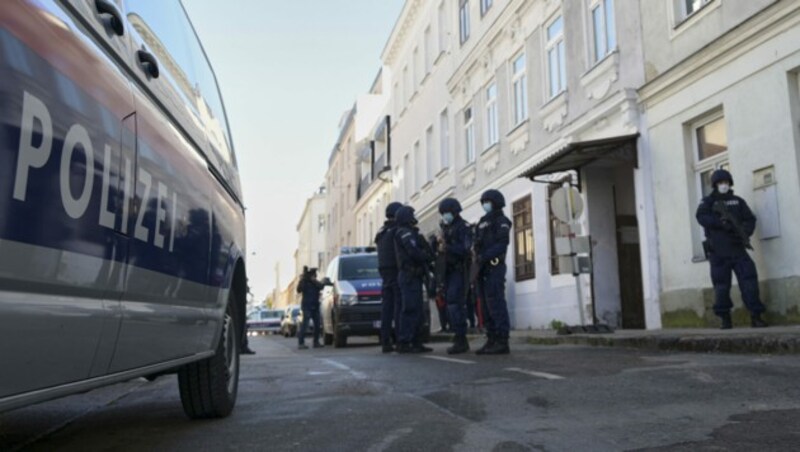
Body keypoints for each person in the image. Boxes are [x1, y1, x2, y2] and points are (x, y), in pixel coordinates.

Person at [696, 169, 768, 329]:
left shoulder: (738, 201)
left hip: (737, 249)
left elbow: (750, 219)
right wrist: (720, 223)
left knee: (749, 281)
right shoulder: (708, 202)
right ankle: (725, 319)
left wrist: (745, 232)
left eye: (726, 182)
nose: (724, 185)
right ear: (715, 184)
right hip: (718, 252)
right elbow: (701, 217)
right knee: (721, 286)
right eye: (721, 183)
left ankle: (756, 316)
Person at [474, 189, 512, 355]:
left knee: (496, 302)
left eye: (487, 201)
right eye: (483, 202)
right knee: (485, 306)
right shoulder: (482, 222)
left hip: (495, 266)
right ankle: (491, 338)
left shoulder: (501, 221)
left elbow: (502, 244)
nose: (484, 205)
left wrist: (484, 255)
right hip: (482, 268)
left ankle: (502, 340)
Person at [393, 206, 434, 353]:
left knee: (417, 310)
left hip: (415, 276)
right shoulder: (404, 233)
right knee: (409, 309)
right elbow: (413, 252)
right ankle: (405, 341)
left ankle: (416, 341)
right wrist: (427, 257)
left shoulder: (411, 232)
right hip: (409, 276)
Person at [436, 198, 473, 355]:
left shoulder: (463, 227)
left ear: (455, 212)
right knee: (450, 304)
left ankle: (461, 338)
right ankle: (458, 337)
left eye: (447, 213)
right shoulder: (446, 228)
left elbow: (465, 249)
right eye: (443, 213)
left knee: (455, 303)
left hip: (459, 270)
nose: (445, 216)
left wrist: (447, 247)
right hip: (448, 271)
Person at [375, 202, 404, 353]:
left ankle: (385, 340)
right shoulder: (396, 231)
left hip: (384, 272)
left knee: (387, 308)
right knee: (398, 306)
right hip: (395, 270)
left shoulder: (381, 232)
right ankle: (400, 339)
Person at [296, 266, 326, 349]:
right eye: (313, 275)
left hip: (315, 306)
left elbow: (321, 286)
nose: (314, 276)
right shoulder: (304, 282)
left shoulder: (315, 283)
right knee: (305, 325)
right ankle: (301, 343)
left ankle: (316, 342)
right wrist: (303, 279)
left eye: (315, 275)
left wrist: (314, 280)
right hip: (307, 306)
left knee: (317, 325)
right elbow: (298, 290)